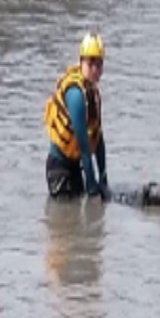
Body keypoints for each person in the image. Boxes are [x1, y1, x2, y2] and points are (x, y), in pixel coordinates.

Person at [44, 33, 108, 200]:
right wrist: (92, 186)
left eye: (99, 64)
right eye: (90, 63)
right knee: (66, 221)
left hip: (75, 166)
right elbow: (83, 147)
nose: (95, 69)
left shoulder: (93, 93)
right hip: (59, 168)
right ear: (81, 63)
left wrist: (102, 176)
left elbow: (98, 138)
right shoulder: (76, 96)